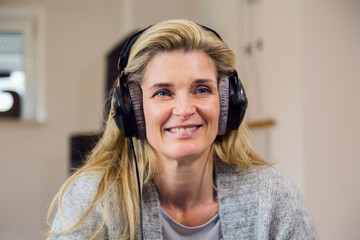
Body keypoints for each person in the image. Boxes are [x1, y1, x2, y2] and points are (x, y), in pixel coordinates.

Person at [46, 19, 317, 240]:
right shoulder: (94, 199)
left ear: (227, 103)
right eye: (163, 92)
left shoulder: (273, 197)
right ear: (134, 110)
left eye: (202, 89)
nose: (185, 109)